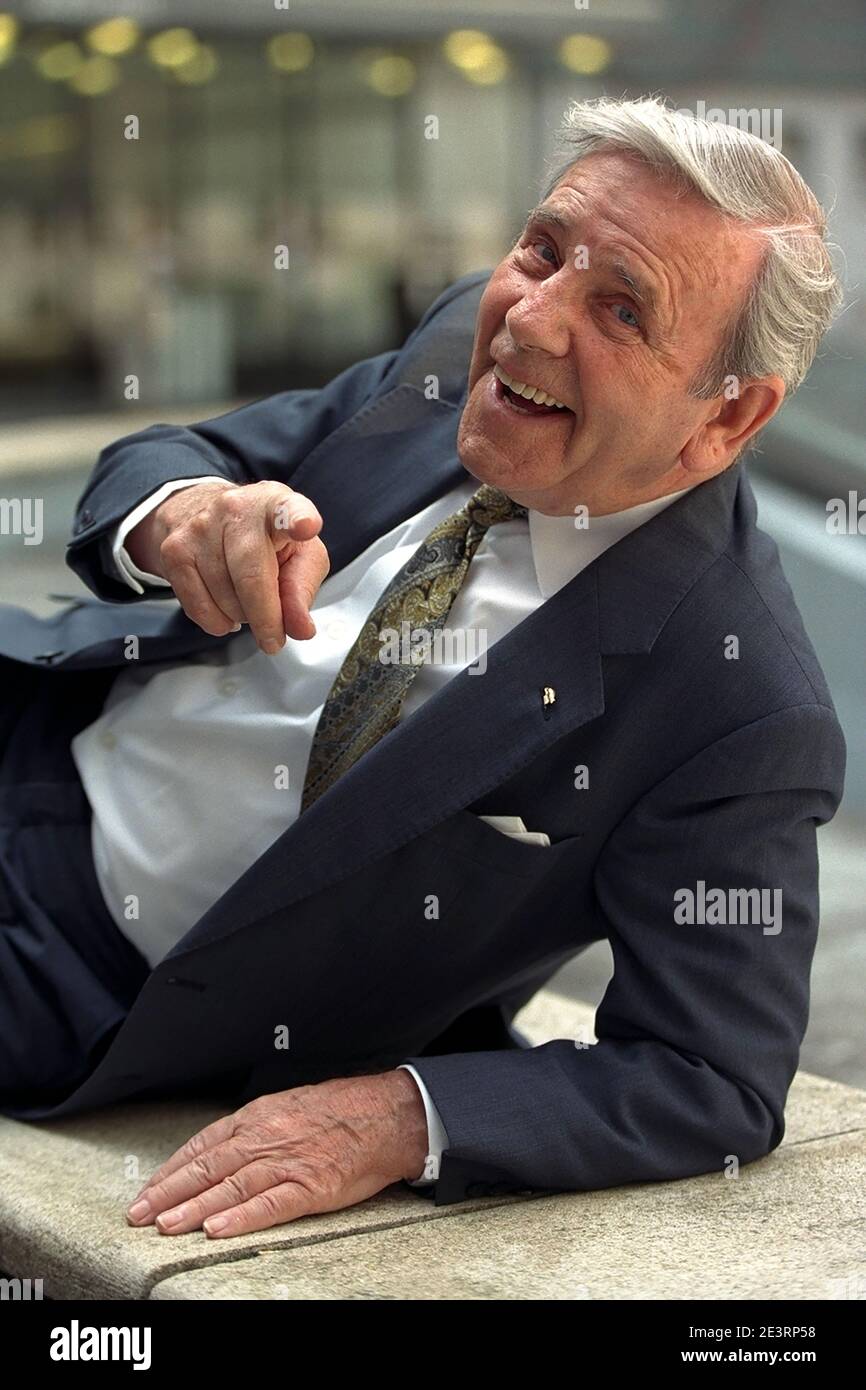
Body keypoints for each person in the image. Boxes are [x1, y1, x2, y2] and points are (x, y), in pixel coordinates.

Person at [0, 97, 845, 1240]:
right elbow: (177, 455)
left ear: (728, 413)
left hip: (86, 967)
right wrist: (185, 515)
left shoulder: (735, 699)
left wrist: (402, 1118)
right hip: (38, 729)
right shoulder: (456, 343)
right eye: (543, 251)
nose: (530, 322)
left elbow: (711, 1074)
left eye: (620, 308)